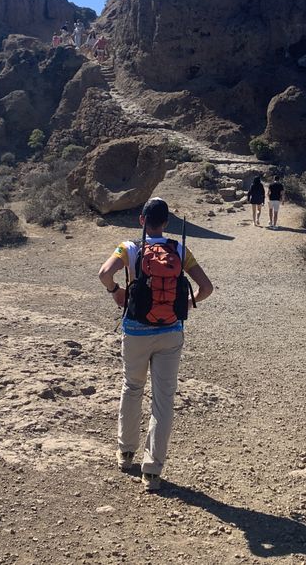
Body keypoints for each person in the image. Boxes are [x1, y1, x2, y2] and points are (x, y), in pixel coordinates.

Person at [97, 198, 213, 492]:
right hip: (170, 332)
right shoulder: (180, 249)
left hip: (136, 330)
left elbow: (104, 274)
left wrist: (116, 292)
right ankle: (152, 471)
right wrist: (186, 304)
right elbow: (207, 288)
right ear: (167, 223)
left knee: (132, 387)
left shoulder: (129, 247)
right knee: (163, 400)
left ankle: (126, 453)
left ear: (141, 220)